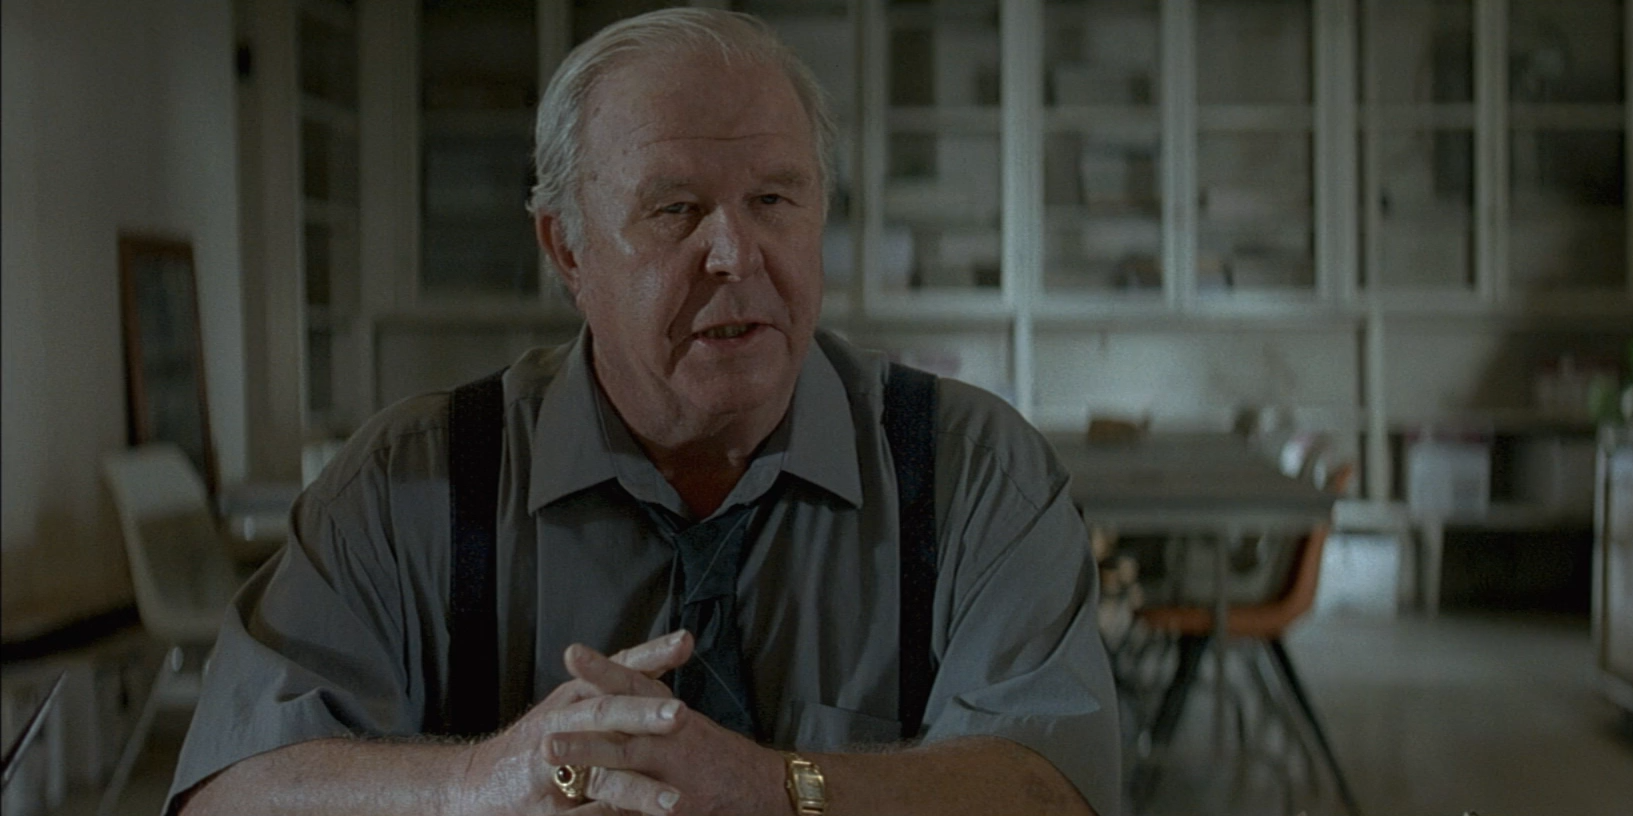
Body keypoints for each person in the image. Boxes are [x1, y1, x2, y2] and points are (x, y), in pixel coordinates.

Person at [167, 8, 1121, 816]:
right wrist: (475, 782)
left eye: (774, 199)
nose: (734, 254)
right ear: (567, 250)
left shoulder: (972, 473)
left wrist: (777, 790)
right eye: (675, 210)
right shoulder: (409, 486)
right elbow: (228, 791)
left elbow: (1055, 788)